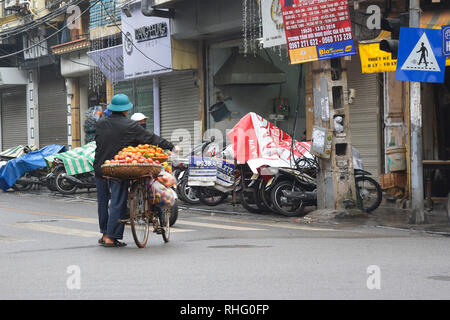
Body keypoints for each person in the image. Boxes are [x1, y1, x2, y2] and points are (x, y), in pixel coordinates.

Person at [93, 94, 177, 247]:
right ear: (126, 110)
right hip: (118, 168)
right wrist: (170, 146)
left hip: (100, 167)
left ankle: (105, 233)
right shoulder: (129, 125)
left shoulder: (100, 123)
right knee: (117, 202)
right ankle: (111, 238)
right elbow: (150, 138)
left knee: (103, 202)